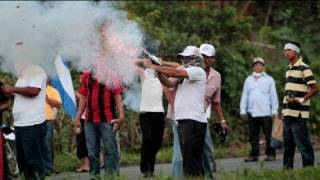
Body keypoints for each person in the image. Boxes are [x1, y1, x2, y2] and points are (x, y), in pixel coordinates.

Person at [145, 46, 207, 177]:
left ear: (196, 59)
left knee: (192, 163)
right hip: (183, 120)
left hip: (194, 120)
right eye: (184, 58)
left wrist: (155, 67)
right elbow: (168, 83)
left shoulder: (198, 71)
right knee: (189, 161)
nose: (185, 60)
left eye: (188, 58)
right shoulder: (185, 72)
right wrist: (158, 71)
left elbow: (175, 73)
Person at [73, 64, 125, 178]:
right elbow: (83, 98)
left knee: (110, 151)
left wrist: (121, 116)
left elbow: (117, 96)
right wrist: (77, 118)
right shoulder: (87, 76)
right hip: (89, 121)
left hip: (107, 119)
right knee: (92, 152)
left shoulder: (112, 75)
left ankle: (111, 177)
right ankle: (94, 177)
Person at [1, 63, 47, 180]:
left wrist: (12, 89)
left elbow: (34, 91)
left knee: (33, 162)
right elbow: (22, 94)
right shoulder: (23, 75)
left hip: (32, 123)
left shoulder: (36, 70)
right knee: (23, 162)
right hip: (21, 124)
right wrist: (11, 94)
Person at [282, 42, 318, 169]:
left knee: (303, 144)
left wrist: (301, 99)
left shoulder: (304, 68)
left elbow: (314, 88)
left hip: (299, 113)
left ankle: (308, 170)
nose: (286, 52)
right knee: (288, 145)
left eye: (289, 50)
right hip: (288, 113)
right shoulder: (288, 69)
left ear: (296, 52)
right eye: (285, 50)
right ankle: (287, 172)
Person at [240, 57, 278, 162]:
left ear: (263, 67)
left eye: (260, 65)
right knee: (253, 135)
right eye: (256, 65)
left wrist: (274, 110)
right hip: (252, 112)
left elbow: (273, 96)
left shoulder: (269, 80)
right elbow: (245, 95)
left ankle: (271, 154)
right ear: (253, 67)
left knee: (268, 135)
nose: (258, 66)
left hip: (266, 112)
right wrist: (243, 109)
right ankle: (254, 154)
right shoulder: (248, 80)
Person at [134, 59, 165, 178]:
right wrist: (144, 61)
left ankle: (151, 169)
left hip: (159, 113)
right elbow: (132, 63)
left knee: (157, 143)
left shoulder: (161, 76)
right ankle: (144, 168)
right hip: (145, 113)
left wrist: (159, 64)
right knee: (147, 139)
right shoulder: (143, 73)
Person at [43, 80, 61, 176]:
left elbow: (58, 105)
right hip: (33, 119)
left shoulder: (53, 91)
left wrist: (47, 99)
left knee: (47, 143)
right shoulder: (32, 88)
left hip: (47, 119)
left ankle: (48, 168)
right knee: (37, 144)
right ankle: (39, 167)